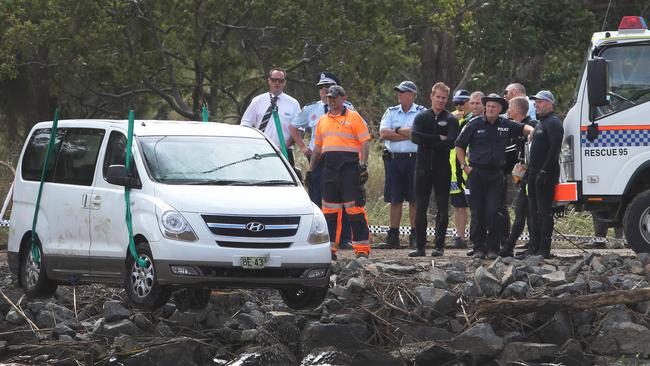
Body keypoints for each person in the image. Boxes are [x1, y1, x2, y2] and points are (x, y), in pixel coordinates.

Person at [455, 93, 534, 259]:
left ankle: (493, 248)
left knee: (494, 211)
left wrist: (531, 131)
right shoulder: (473, 124)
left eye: (494, 107)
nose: (491, 109)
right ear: (485, 107)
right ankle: (478, 248)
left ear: (500, 110)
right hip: (476, 173)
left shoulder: (505, 124)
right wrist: (465, 167)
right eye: (489, 106)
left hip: (496, 175)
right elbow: (459, 146)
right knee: (477, 212)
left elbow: (522, 128)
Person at [290, 72, 354, 249]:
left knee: (343, 198)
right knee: (317, 198)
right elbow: (293, 126)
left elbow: (358, 132)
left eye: (328, 87)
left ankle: (344, 237)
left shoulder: (349, 109)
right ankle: (320, 236)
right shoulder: (311, 109)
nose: (324, 91)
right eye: (321, 88)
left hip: (341, 159)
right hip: (318, 159)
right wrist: (303, 147)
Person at [306, 85, 371, 259]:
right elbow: (317, 149)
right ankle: (329, 250)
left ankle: (362, 249)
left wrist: (363, 165)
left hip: (349, 168)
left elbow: (365, 142)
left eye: (334, 97)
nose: (331, 100)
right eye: (329, 97)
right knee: (329, 211)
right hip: (329, 169)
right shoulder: (322, 120)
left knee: (354, 209)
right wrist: (310, 171)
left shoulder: (354, 117)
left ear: (343, 98)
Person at [409, 82, 459, 257]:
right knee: (420, 207)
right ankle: (420, 247)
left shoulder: (451, 119)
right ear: (431, 96)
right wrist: (438, 137)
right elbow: (415, 137)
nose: (440, 100)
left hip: (442, 169)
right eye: (438, 97)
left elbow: (451, 143)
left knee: (442, 208)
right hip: (422, 168)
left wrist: (428, 141)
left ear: (447, 100)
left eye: (444, 98)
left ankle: (439, 246)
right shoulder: (422, 117)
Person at [376, 81, 424, 249]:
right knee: (395, 198)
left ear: (412, 95)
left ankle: (416, 235)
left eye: (403, 92)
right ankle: (393, 236)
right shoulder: (391, 111)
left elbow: (418, 133)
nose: (399, 94)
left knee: (414, 199)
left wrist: (396, 130)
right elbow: (383, 133)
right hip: (394, 160)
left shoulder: (421, 112)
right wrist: (406, 133)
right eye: (398, 92)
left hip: (415, 160)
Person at [524, 90, 563, 259]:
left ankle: (544, 249)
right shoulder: (540, 123)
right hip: (533, 173)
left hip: (546, 174)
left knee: (544, 211)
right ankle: (533, 246)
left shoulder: (553, 122)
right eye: (535, 102)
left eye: (539, 102)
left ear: (549, 103)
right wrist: (528, 173)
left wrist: (545, 171)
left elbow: (554, 149)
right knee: (532, 211)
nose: (536, 105)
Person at [499, 96, 538, 257]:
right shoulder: (513, 128)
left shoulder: (532, 126)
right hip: (520, 174)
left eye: (509, 108)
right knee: (525, 211)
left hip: (532, 175)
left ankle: (509, 247)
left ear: (515, 110)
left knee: (524, 211)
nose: (507, 111)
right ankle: (531, 244)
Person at [241, 68, 301, 166]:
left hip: (284, 151)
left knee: (283, 181)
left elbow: (298, 130)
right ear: (269, 81)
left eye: (280, 81)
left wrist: (282, 147)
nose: (277, 83)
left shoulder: (293, 104)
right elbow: (245, 124)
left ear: (285, 82)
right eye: (274, 80)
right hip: (260, 150)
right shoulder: (258, 101)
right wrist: (251, 144)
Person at [449, 89, 472, 249]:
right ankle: (460, 236)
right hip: (453, 170)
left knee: (475, 203)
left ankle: (478, 235)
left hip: (470, 168)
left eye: (462, 102)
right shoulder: (451, 118)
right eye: (456, 103)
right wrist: (452, 121)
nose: (459, 106)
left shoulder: (475, 119)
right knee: (458, 205)